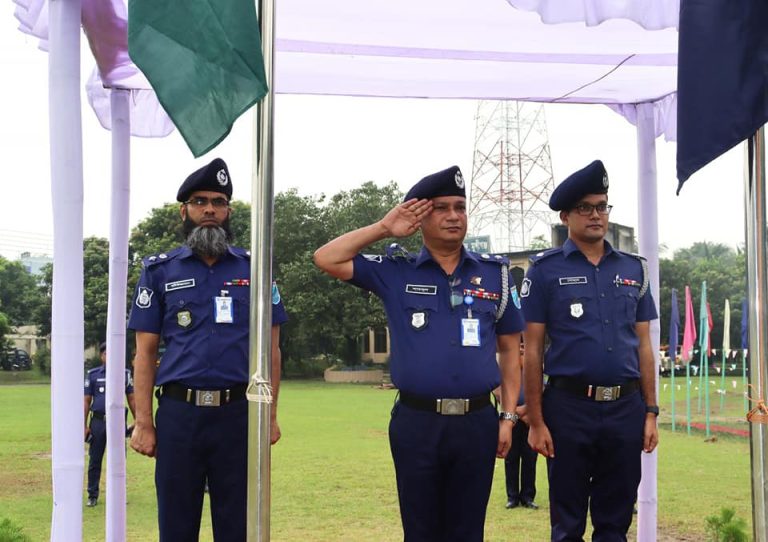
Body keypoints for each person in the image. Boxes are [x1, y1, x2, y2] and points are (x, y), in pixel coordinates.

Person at [313, 165, 525, 542]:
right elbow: (326, 258)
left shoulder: (497, 275)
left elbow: (510, 350)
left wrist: (507, 417)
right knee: (420, 530)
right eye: (441, 208)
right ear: (420, 217)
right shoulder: (395, 271)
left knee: (467, 531)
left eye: (460, 207)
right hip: (417, 422)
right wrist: (382, 227)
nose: (454, 216)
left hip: (477, 422)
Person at [127, 158, 288, 541]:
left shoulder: (257, 267)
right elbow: (144, 354)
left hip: (238, 415)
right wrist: (145, 422)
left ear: (229, 210)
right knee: (177, 524)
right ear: (184, 210)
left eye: (218, 201)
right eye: (200, 202)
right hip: (180, 416)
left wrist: (271, 416)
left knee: (237, 526)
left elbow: (273, 350)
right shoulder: (159, 271)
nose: (210, 209)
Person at [520, 159, 659, 541]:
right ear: (566, 216)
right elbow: (532, 350)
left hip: (625, 409)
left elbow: (644, 346)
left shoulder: (635, 270)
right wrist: (535, 420)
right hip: (568, 410)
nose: (596, 215)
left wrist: (650, 411)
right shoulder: (544, 271)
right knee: (567, 523)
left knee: (615, 521)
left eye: (602, 206)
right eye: (585, 208)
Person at [83, 341, 137, 507]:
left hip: (117, 422)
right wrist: (83, 425)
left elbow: (132, 398)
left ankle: (119, 494)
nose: (109, 356)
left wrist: (138, 420)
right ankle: (92, 495)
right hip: (98, 422)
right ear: (101, 356)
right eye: (106, 353)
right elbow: (86, 401)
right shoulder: (93, 375)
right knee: (95, 460)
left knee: (118, 460)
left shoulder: (125, 374)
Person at [503, 385, 538, 510]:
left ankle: (527, 497)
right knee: (511, 458)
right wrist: (513, 412)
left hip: (530, 418)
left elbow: (542, 389)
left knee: (530, 459)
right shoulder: (506, 366)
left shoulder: (536, 365)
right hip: (510, 419)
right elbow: (498, 391)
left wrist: (525, 411)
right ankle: (512, 497)